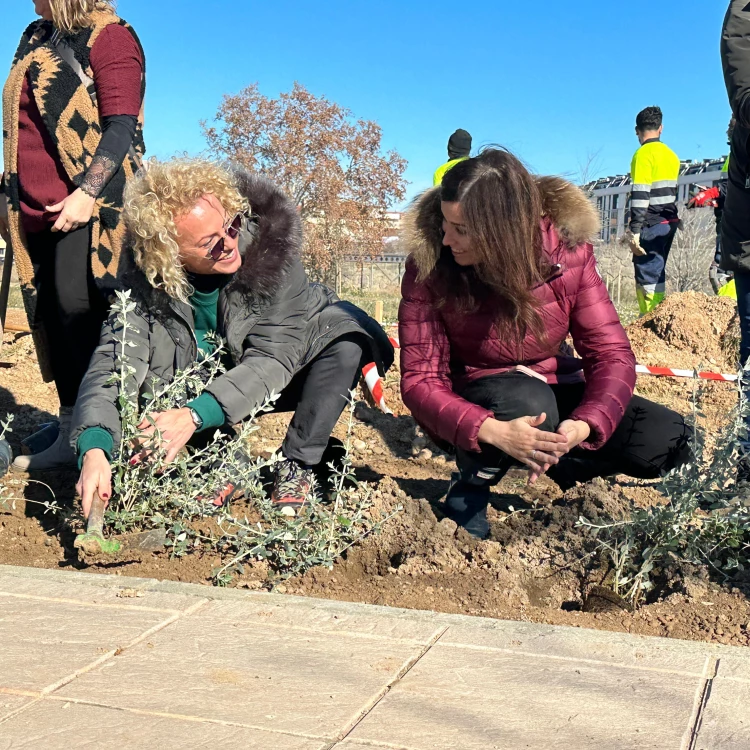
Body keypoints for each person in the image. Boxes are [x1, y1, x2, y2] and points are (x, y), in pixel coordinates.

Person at [72, 158, 393, 518]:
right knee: (160, 372)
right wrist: (95, 447)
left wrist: (192, 416)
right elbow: (112, 365)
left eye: (232, 226)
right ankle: (224, 460)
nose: (228, 244)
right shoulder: (144, 284)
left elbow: (273, 359)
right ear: (169, 253)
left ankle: (298, 464)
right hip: (207, 382)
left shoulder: (275, 256)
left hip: (282, 370)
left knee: (344, 342)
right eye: (210, 243)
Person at [399, 148, 691, 538]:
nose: (448, 238)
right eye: (444, 224)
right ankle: (469, 491)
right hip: (476, 400)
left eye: (462, 229)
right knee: (528, 402)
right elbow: (420, 382)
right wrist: (492, 431)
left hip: (553, 388)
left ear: (505, 231)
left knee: (668, 436)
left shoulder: (568, 256)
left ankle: (567, 463)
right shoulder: (430, 266)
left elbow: (611, 355)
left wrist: (582, 427)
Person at [0, 0, 146, 471]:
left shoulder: (111, 36)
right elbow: (21, 129)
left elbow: (121, 124)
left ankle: (103, 433)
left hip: (90, 207)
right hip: (33, 207)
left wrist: (89, 191)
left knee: (79, 311)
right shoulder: (36, 34)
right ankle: (69, 428)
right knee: (49, 315)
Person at [626, 106, 681, 316]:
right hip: (670, 221)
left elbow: (640, 194)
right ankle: (656, 316)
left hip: (651, 222)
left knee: (647, 273)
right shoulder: (671, 155)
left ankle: (650, 319)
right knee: (657, 271)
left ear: (636, 130)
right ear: (661, 128)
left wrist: (635, 230)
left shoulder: (642, 155)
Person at [687, 120, 736, 299]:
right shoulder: (733, 154)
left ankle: (731, 311)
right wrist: (715, 199)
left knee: (722, 273)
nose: (727, 130)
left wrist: (713, 193)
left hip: (734, 228)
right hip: (726, 222)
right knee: (721, 273)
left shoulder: (742, 152)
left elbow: (736, 186)